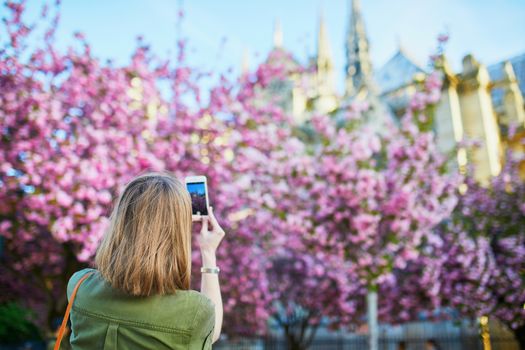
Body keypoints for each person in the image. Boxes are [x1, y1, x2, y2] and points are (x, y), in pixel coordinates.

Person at [64, 172, 225, 349]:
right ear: (176, 234)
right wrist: (208, 252)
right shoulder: (195, 311)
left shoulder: (80, 285)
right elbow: (213, 330)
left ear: (120, 222)